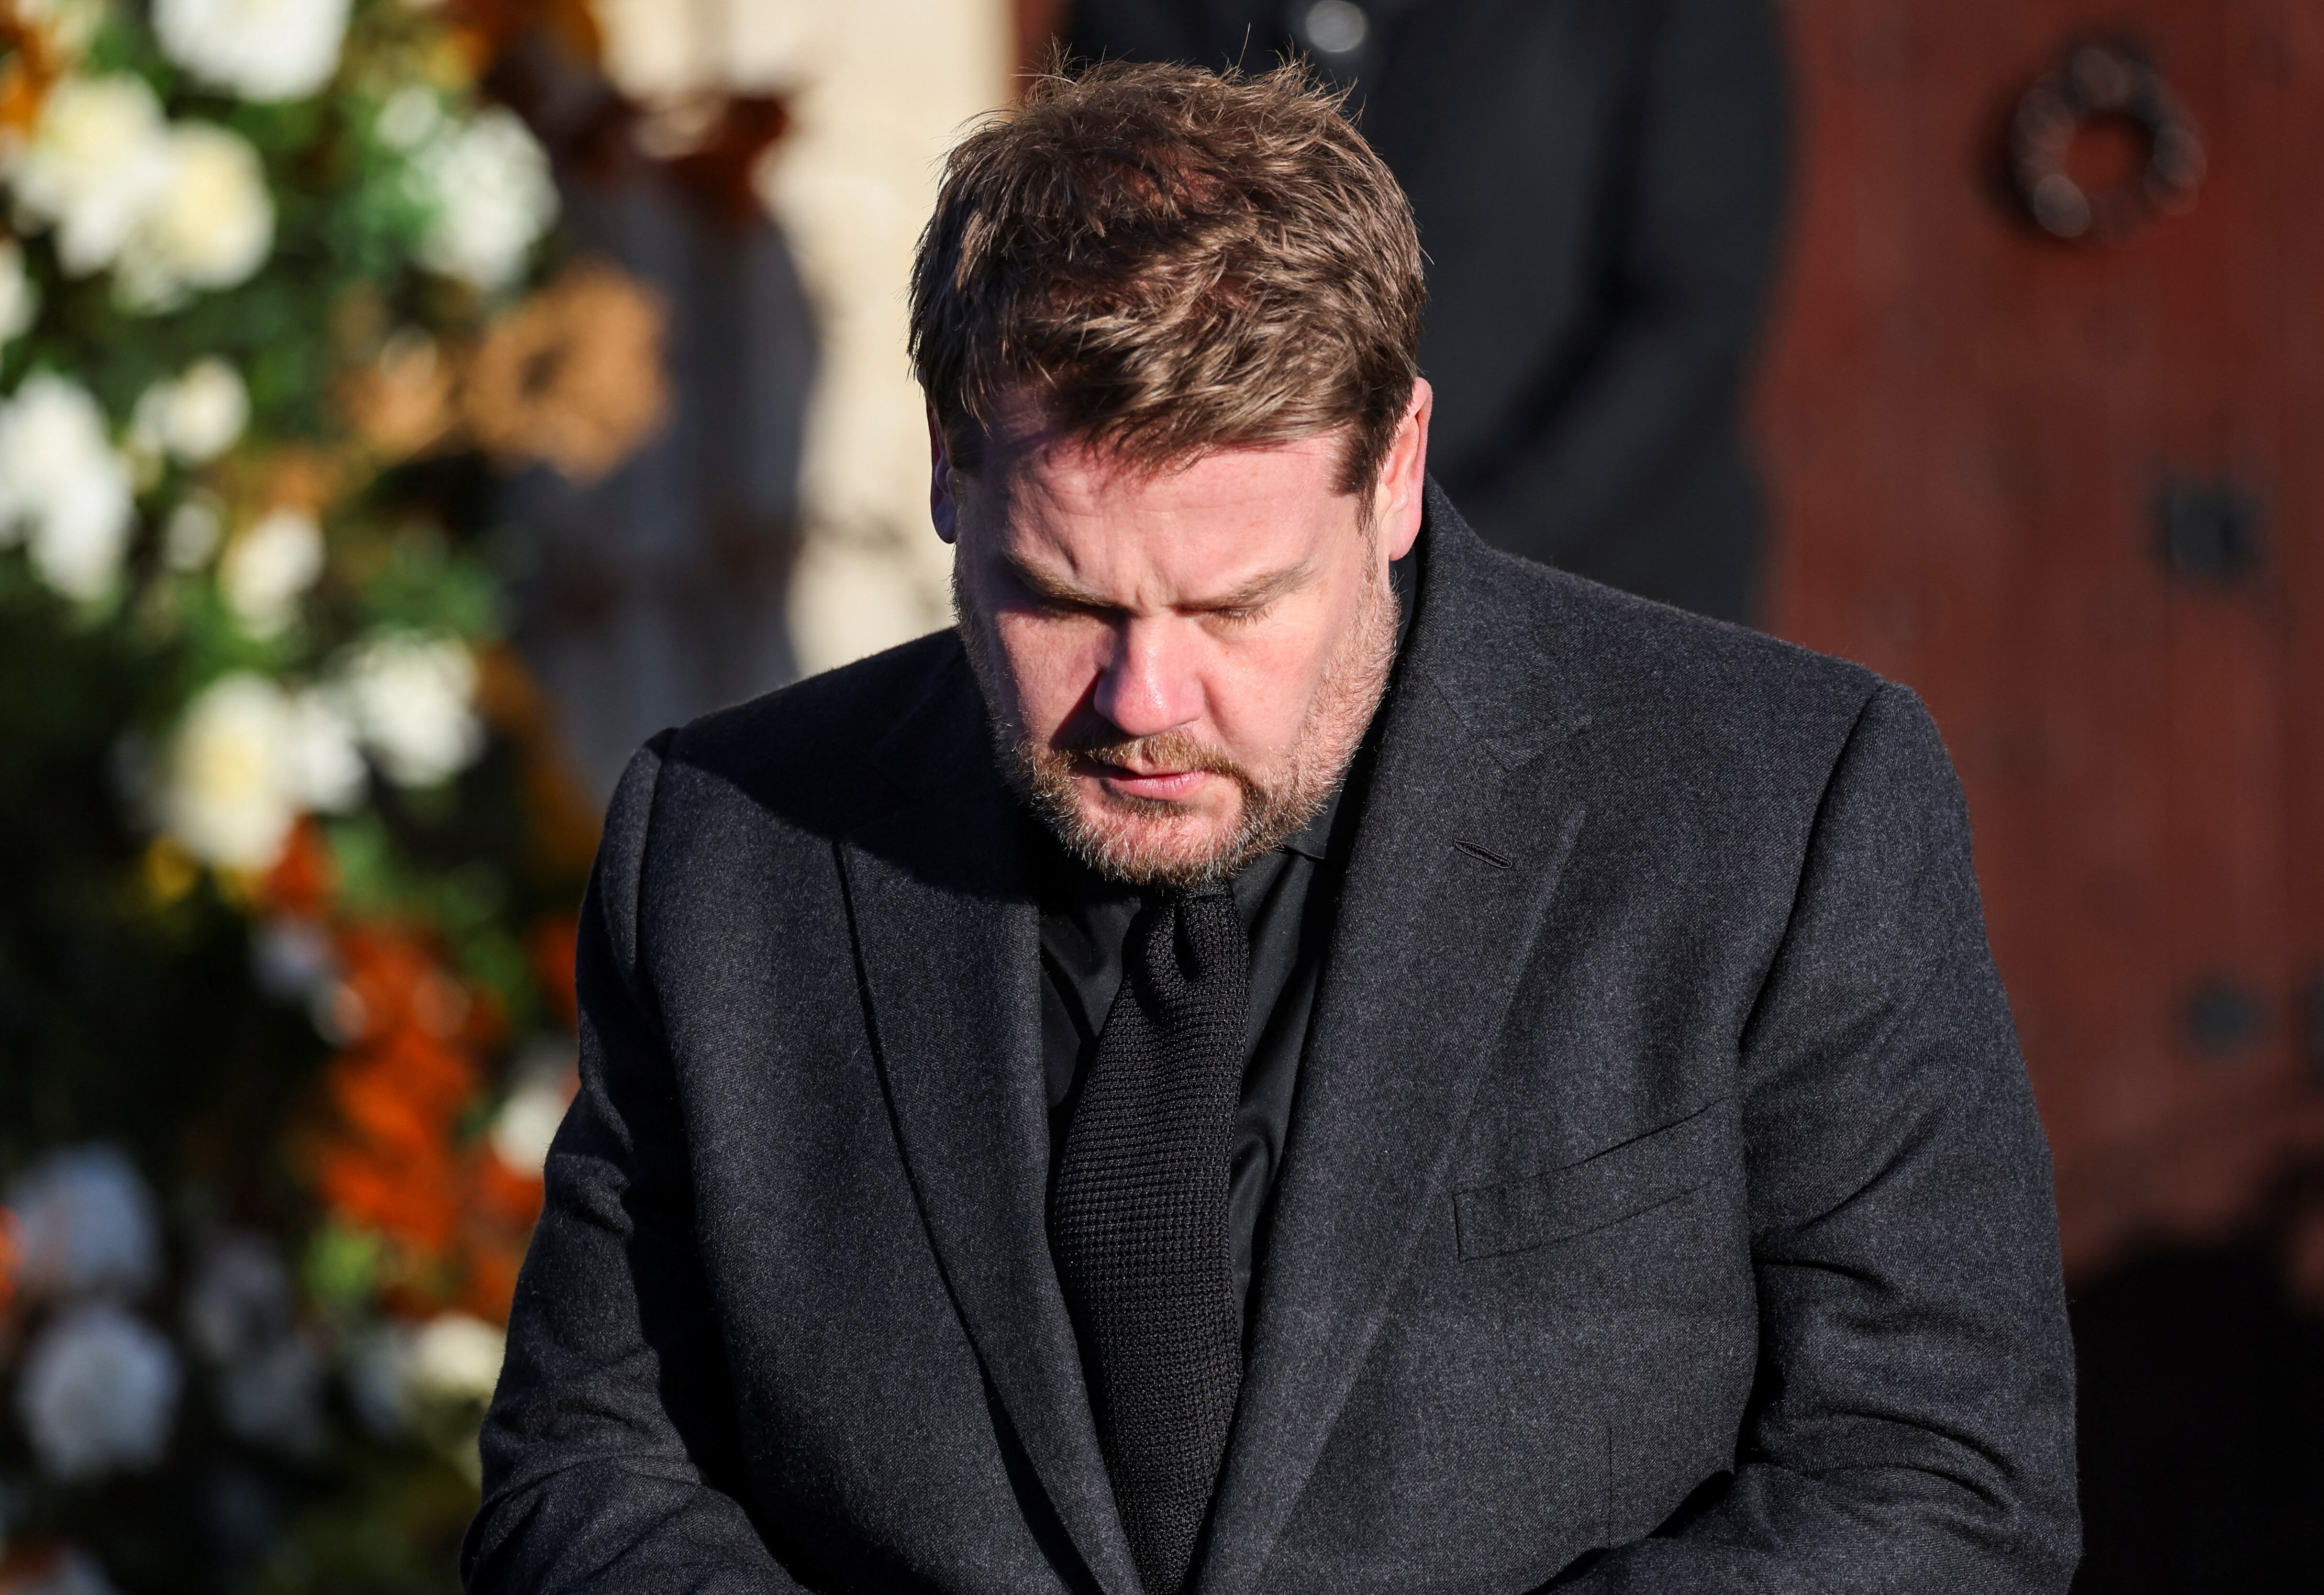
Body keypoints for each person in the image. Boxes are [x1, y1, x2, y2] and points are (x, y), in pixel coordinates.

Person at [464, 61, 2077, 1595]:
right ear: (953, 471)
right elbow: (591, 1473)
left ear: (1396, 472)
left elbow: (1938, 1479)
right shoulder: (729, 849)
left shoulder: (1779, 804)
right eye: (1061, 597)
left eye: (1238, 602)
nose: (1144, 695)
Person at [1067, 0, 1788, 622]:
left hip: (1593, 598)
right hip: (1242, 606)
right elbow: (1087, 270)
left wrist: (1438, 548)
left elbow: (1692, 310)